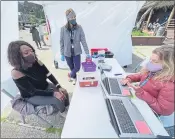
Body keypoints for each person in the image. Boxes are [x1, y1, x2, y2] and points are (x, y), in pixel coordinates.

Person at [121, 45, 174, 137]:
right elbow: (141, 75)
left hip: (154, 118)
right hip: (143, 105)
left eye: (155, 61)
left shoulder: (169, 84)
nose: (150, 63)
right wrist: (129, 78)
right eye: (150, 59)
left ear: (168, 64)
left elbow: (164, 110)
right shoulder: (153, 70)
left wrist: (142, 93)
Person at [7, 40, 69, 117]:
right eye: (26, 53)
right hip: (32, 95)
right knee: (57, 99)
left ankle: (67, 107)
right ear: (17, 57)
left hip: (44, 86)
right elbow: (32, 91)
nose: (31, 54)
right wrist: (53, 93)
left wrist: (58, 86)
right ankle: (63, 112)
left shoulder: (37, 62)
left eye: (31, 50)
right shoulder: (16, 72)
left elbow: (49, 74)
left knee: (64, 92)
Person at [60, 8, 90, 85]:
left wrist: (87, 53)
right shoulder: (63, 29)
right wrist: (62, 53)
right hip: (67, 52)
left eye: (74, 17)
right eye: (71, 17)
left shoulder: (79, 28)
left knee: (77, 67)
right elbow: (61, 42)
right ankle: (74, 78)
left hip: (76, 51)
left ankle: (70, 75)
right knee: (71, 66)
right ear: (68, 18)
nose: (73, 19)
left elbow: (83, 41)